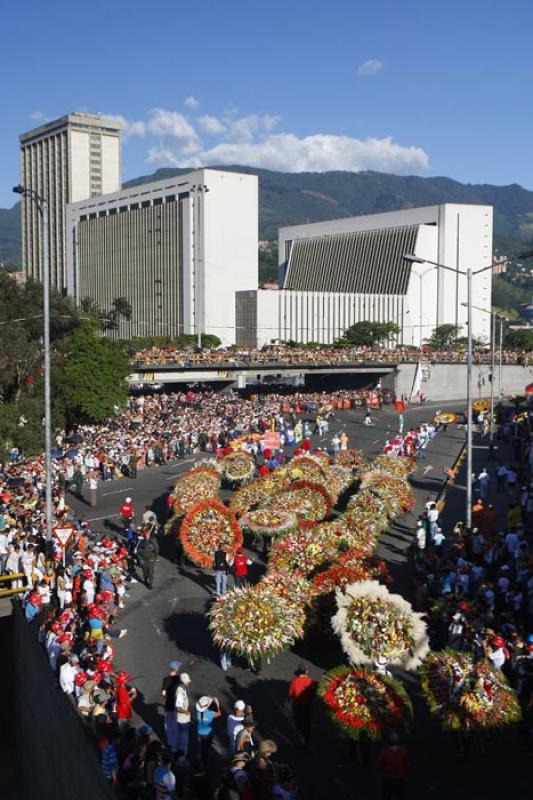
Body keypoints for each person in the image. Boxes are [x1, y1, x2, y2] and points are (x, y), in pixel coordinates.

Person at [287, 663, 316, 745]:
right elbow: (313, 694)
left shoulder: (294, 681)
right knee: (307, 722)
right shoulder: (309, 681)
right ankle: (306, 738)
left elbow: (290, 694)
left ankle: (300, 733)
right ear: (306, 671)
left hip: (297, 705)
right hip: (307, 705)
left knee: (299, 720)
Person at [378, 730, 408, 800]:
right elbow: (405, 764)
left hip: (388, 778)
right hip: (400, 778)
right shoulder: (403, 751)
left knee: (386, 796)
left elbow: (381, 766)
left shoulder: (383, 753)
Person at [161, 660, 182, 756]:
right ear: (177, 669)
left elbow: (163, 694)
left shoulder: (166, 679)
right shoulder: (179, 679)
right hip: (177, 706)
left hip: (168, 705)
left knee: (168, 727)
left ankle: (171, 746)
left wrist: (165, 696)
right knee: (176, 727)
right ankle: (176, 746)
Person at [196, 695, 221, 770]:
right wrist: (217, 703)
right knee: (205, 750)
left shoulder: (197, 711)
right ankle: (204, 765)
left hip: (199, 732)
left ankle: (199, 762)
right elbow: (219, 713)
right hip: (207, 734)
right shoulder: (210, 713)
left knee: (200, 748)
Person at [175, 672, 192, 763]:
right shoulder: (180, 692)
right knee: (184, 740)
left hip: (183, 718)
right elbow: (178, 707)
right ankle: (182, 759)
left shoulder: (182, 689)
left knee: (183, 737)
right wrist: (187, 712)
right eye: (187, 682)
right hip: (182, 719)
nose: (188, 683)